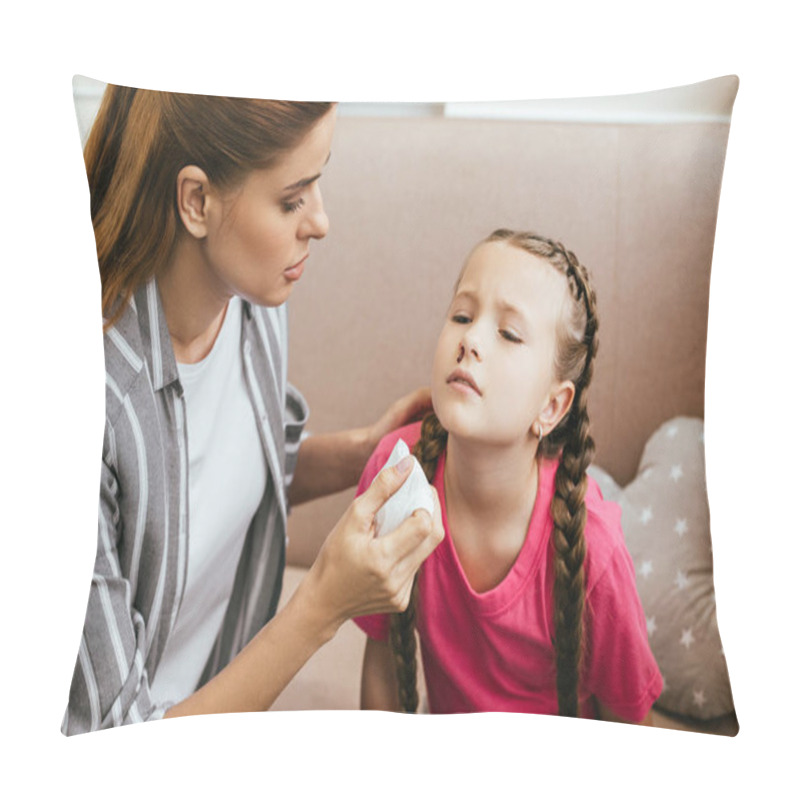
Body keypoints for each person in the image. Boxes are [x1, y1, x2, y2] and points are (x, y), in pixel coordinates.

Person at [61, 86, 443, 735]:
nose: (320, 221)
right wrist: (321, 605)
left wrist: (364, 452)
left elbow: (223, 477)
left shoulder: (250, 306)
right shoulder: (85, 411)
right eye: (293, 198)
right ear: (197, 201)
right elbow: (116, 746)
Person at [355, 229, 663, 722]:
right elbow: (383, 658)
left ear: (552, 406)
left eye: (509, 334)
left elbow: (630, 728)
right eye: (462, 315)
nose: (470, 340)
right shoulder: (395, 478)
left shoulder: (594, 553)